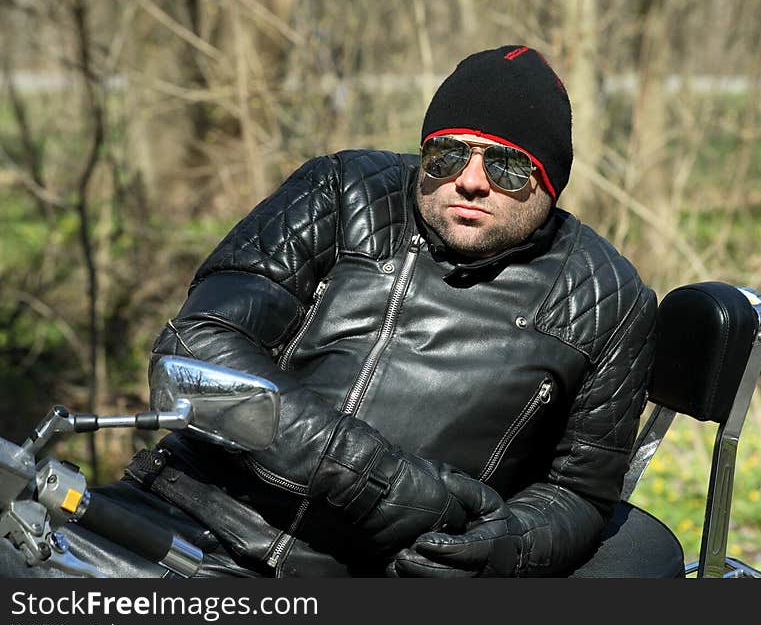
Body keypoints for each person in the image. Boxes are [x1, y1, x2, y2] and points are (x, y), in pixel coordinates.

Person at [126, 44, 658, 578]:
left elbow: (580, 493)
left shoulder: (608, 298)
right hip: (184, 515)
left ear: (550, 181)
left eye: (508, 166)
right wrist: (381, 483)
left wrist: (507, 547)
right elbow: (193, 351)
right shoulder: (342, 191)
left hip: (371, 575)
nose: (471, 180)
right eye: (447, 155)